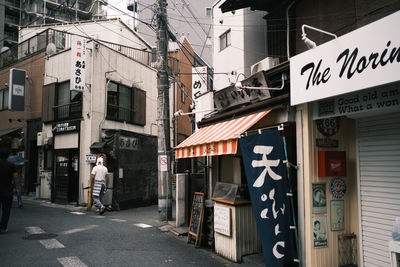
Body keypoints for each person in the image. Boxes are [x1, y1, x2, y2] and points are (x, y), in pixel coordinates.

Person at [0, 148, 18, 233]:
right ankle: (3, 227)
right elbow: (15, 177)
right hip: (7, 190)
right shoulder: (11, 165)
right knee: (6, 210)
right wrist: (16, 188)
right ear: (8, 156)